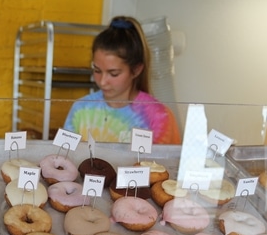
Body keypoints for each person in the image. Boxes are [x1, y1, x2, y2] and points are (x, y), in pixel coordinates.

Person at [63, 16, 180, 144]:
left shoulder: (159, 117)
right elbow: (62, 156)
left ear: (136, 70)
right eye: (97, 70)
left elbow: (162, 163)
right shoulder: (80, 109)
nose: (102, 81)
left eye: (113, 74)